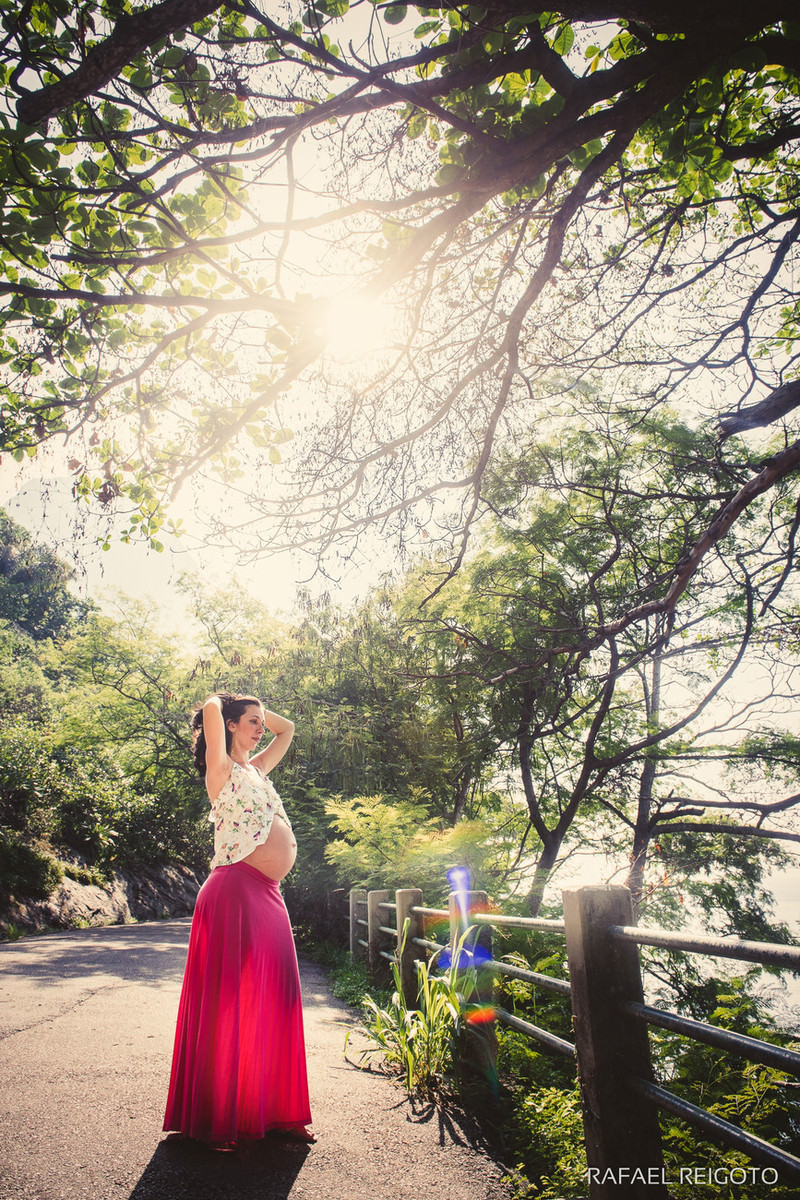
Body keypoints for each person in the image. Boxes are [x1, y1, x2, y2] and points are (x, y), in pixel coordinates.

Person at [162, 692, 314, 1149]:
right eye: (251, 721)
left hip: (269, 895)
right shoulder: (222, 770)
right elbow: (211, 709)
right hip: (234, 892)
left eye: (259, 721)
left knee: (276, 996)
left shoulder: (256, 770)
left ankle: (278, 1112)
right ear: (228, 726)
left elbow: (288, 730)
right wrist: (222, 700)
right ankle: (217, 1120)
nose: (261, 727)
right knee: (229, 1002)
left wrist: (260, 709)